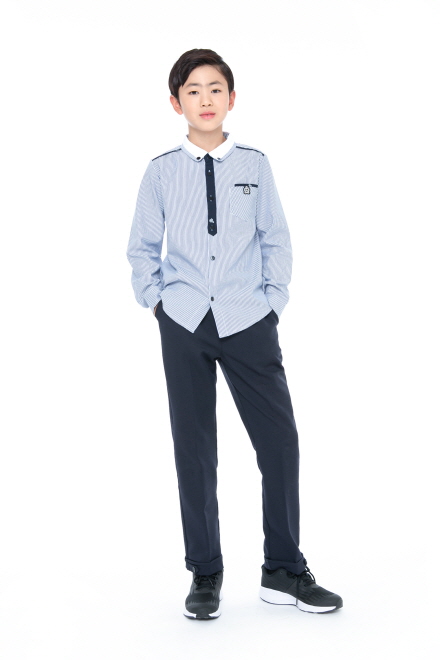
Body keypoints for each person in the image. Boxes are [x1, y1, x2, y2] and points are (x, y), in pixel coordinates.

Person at [126, 48, 343, 620]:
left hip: (249, 319)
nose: (205, 99)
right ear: (176, 103)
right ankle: (205, 572)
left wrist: (273, 304)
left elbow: (277, 238)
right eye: (193, 90)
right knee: (194, 450)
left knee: (280, 442)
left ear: (232, 98)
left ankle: (283, 570)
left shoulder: (255, 165)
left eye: (215, 88)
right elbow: (142, 247)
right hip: (184, 321)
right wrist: (158, 304)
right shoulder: (160, 171)